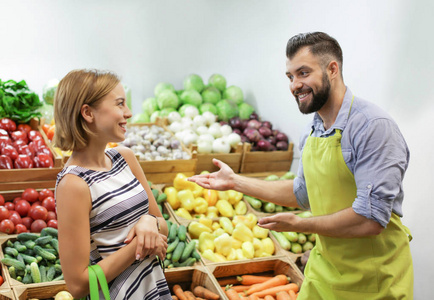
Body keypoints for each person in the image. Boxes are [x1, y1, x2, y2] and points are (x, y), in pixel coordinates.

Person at [189, 32, 414, 299]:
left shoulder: (372, 127)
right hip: (324, 272)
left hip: (374, 279)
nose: (295, 85)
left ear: (332, 69)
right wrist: (236, 182)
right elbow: (302, 193)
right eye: (290, 77)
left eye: (303, 73)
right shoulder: (313, 130)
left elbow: (370, 219)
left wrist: (299, 225)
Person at [54, 69, 172, 299]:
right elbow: (77, 285)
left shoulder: (124, 158)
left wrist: (149, 222)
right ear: (87, 113)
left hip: (152, 290)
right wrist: (140, 244)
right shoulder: (74, 184)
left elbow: (162, 226)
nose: (128, 113)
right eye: (120, 104)